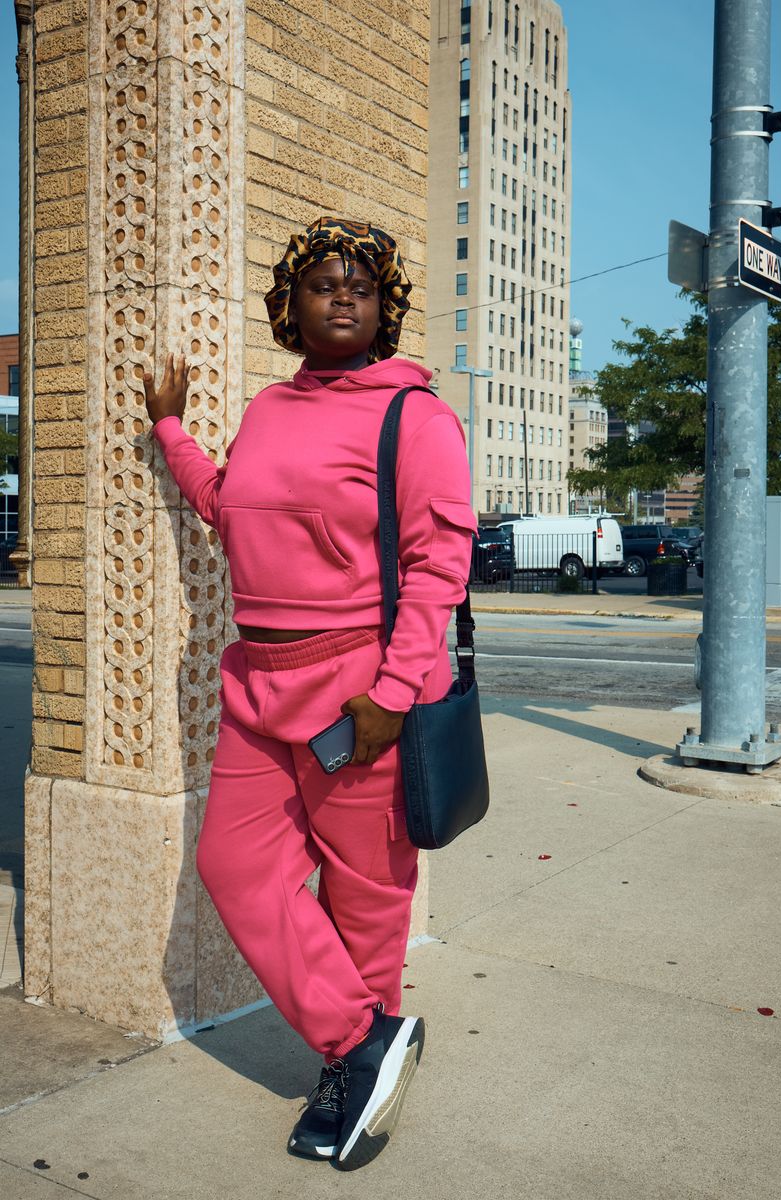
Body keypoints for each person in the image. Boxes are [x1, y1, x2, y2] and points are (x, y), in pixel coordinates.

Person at [143, 217, 476, 1170]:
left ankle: (350, 1073)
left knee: (365, 898)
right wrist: (172, 432)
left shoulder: (415, 416)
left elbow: (438, 564)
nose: (342, 296)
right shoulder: (271, 410)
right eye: (323, 283)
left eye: (362, 287)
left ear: (386, 310)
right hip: (258, 678)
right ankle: (363, 1040)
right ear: (288, 307)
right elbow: (227, 503)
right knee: (235, 866)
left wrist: (393, 692)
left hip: (357, 689)